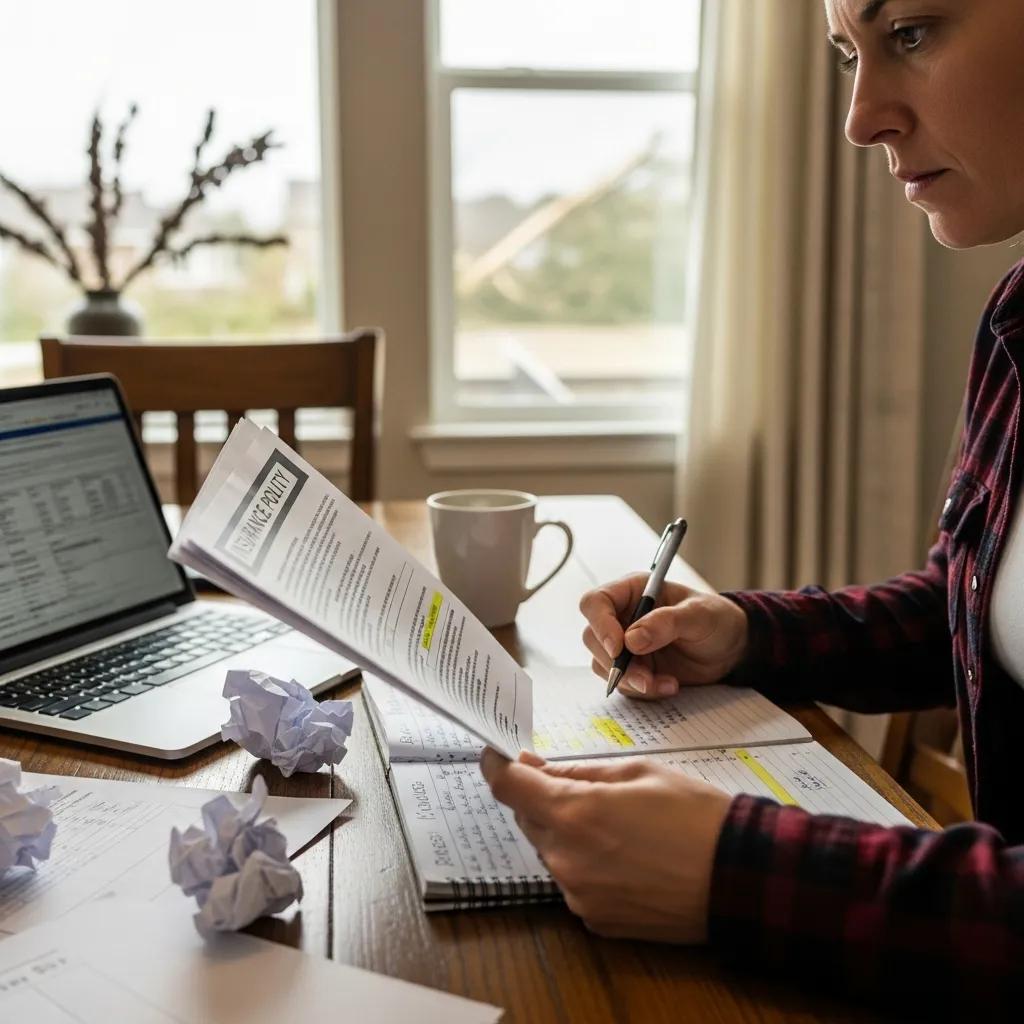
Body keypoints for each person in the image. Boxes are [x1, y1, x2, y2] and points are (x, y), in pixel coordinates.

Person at [480, 0, 1024, 1016]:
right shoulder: (1016, 321)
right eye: (847, 55)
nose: (860, 118)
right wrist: (742, 632)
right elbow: (968, 610)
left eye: (910, 33)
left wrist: (734, 869)